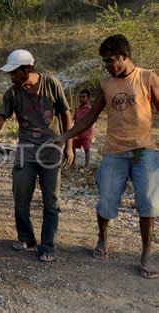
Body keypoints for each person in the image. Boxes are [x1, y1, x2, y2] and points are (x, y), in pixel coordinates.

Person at [57, 34, 159, 279]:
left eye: (111, 61)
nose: (107, 66)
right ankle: (103, 238)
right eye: (104, 62)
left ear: (125, 57)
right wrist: (65, 136)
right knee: (105, 201)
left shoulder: (147, 77)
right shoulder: (106, 84)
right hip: (113, 152)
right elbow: (91, 116)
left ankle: (146, 253)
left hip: (144, 151)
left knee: (148, 203)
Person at [0, 49, 74, 262]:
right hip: (26, 150)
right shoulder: (12, 93)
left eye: (14, 72)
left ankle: (48, 244)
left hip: (50, 150)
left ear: (28, 69)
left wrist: (68, 144)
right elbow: (0, 118)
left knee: (51, 199)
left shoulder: (51, 84)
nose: (11, 77)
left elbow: (65, 113)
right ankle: (26, 237)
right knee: (20, 195)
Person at [72, 89, 93, 168]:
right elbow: (75, 120)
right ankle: (72, 163)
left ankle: (87, 165)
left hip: (86, 133)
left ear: (88, 98)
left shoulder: (90, 109)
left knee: (86, 149)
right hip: (77, 132)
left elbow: (92, 120)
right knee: (73, 147)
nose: (81, 98)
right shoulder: (78, 109)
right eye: (80, 97)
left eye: (83, 97)